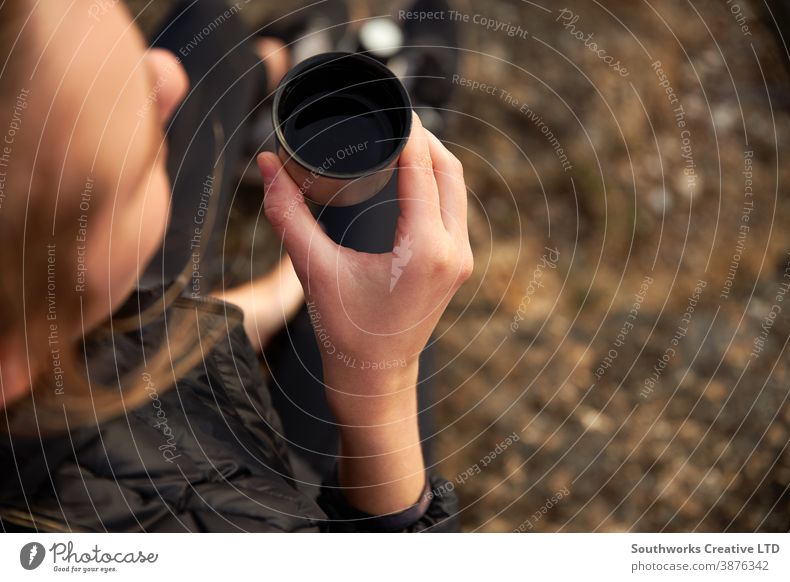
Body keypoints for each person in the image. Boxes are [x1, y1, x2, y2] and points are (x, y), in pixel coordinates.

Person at [0, 0, 472, 532]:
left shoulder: (42, 315)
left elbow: (124, 343)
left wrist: (271, 297)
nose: (165, 75)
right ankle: (401, 108)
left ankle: (277, 72)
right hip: (296, 475)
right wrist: (380, 388)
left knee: (208, 23)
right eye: (143, 161)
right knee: (381, 207)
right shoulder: (220, 526)